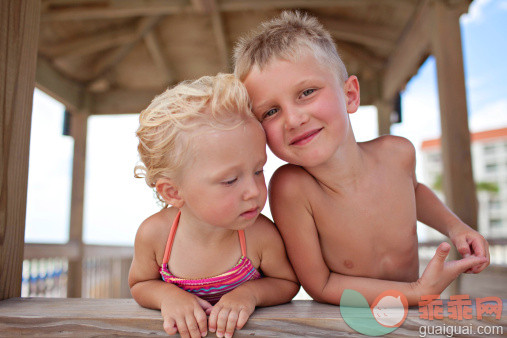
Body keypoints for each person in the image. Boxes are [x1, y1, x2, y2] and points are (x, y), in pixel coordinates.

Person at [233, 11, 489, 306]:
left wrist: (456, 228)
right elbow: (320, 284)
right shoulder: (291, 188)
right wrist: (416, 293)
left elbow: (413, 192)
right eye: (271, 112)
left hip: (414, 319)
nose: (293, 119)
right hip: (350, 322)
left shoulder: (397, 152)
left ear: (350, 95)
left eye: (306, 92)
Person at [129, 73, 299, 338]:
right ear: (173, 192)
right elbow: (140, 284)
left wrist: (248, 295)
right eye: (230, 180)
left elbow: (287, 282)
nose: (253, 191)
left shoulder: (258, 234)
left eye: (258, 171)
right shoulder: (155, 236)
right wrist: (168, 297)